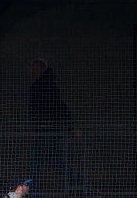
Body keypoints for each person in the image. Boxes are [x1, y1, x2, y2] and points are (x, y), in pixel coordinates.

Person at [28, 58, 84, 194]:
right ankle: (81, 183)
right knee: (55, 162)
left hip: (46, 131)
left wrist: (71, 127)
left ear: (41, 70)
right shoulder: (47, 85)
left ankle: (31, 191)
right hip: (49, 130)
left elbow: (59, 107)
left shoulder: (44, 86)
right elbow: (59, 107)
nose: (33, 71)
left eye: (35, 68)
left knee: (36, 163)